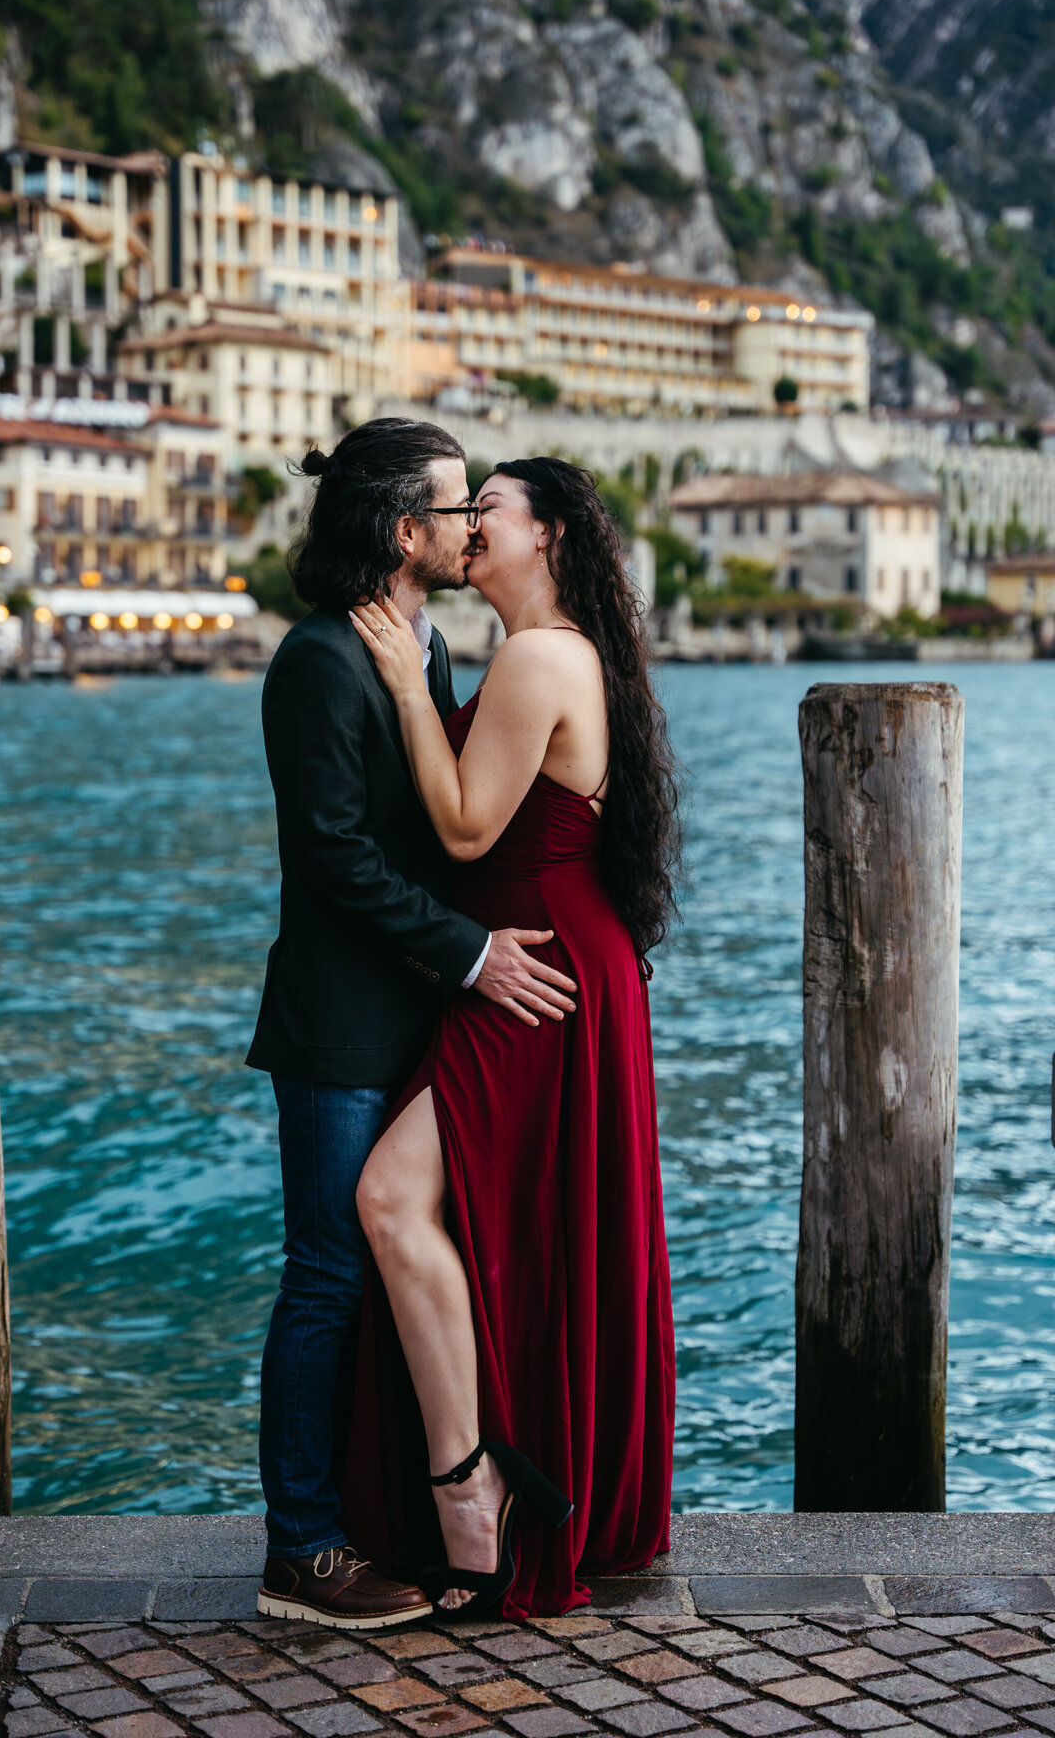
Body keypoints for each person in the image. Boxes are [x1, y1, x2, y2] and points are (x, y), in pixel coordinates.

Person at [248, 420, 580, 1629]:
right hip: (340, 1028)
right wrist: (475, 952)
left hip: (417, 1016)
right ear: (404, 533)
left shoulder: (417, 647)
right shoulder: (320, 661)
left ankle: (386, 1512)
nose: (469, 525)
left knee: (385, 1268)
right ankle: (302, 1548)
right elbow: (334, 859)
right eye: (454, 509)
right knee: (330, 1278)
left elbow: (442, 826)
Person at [343, 458, 679, 1620]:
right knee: (500, 1220)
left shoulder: (542, 655)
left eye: (492, 509)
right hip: (543, 966)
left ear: (551, 538)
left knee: (391, 1199)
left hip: (534, 974)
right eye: (466, 506)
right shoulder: (553, 651)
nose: (470, 523)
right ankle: (488, 1478)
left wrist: (398, 681)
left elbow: (469, 826)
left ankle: (467, 1484)